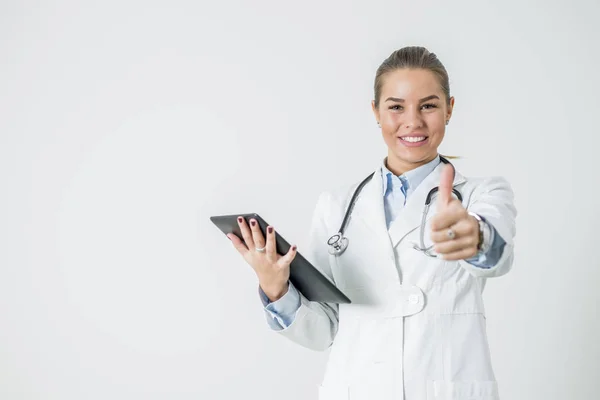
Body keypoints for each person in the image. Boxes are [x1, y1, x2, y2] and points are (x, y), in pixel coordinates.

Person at [227, 46, 516, 400]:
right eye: (396, 106)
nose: (413, 121)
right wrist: (276, 289)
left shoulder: (481, 194)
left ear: (449, 109)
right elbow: (323, 332)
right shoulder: (336, 207)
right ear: (376, 112)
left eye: (428, 105)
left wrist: (476, 240)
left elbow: (497, 255)